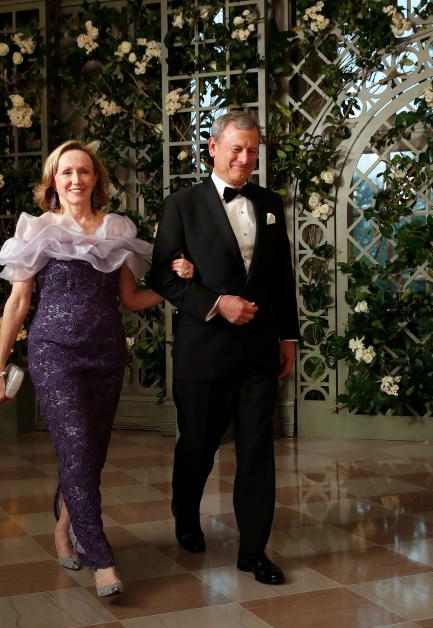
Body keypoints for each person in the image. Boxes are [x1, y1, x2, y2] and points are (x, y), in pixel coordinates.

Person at [0, 140, 193, 597]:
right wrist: (0, 366)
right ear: (53, 181)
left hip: (105, 353)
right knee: (78, 445)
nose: (76, 180)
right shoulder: (37, 230)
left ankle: (63, 528)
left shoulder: (116, 230)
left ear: (96, 179)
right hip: (53, 352)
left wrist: (175, 287)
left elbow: (130, 299)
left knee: (89, 453)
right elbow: (18, 302)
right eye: (66, 172)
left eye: (84, 171)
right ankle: (101, 558)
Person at [149, 110, 299, 585]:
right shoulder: (182, 204)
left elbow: (281, 280)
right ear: (212, 148)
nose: (245, 158)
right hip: (203, 351)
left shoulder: (270, 202)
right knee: (198, 446)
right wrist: (217, 303)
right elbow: (160, 278)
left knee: (258, 451)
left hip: (258, 352)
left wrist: (288, 337)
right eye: (236, 148)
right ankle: (185, 515)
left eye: (253, 150)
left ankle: (253, 551)